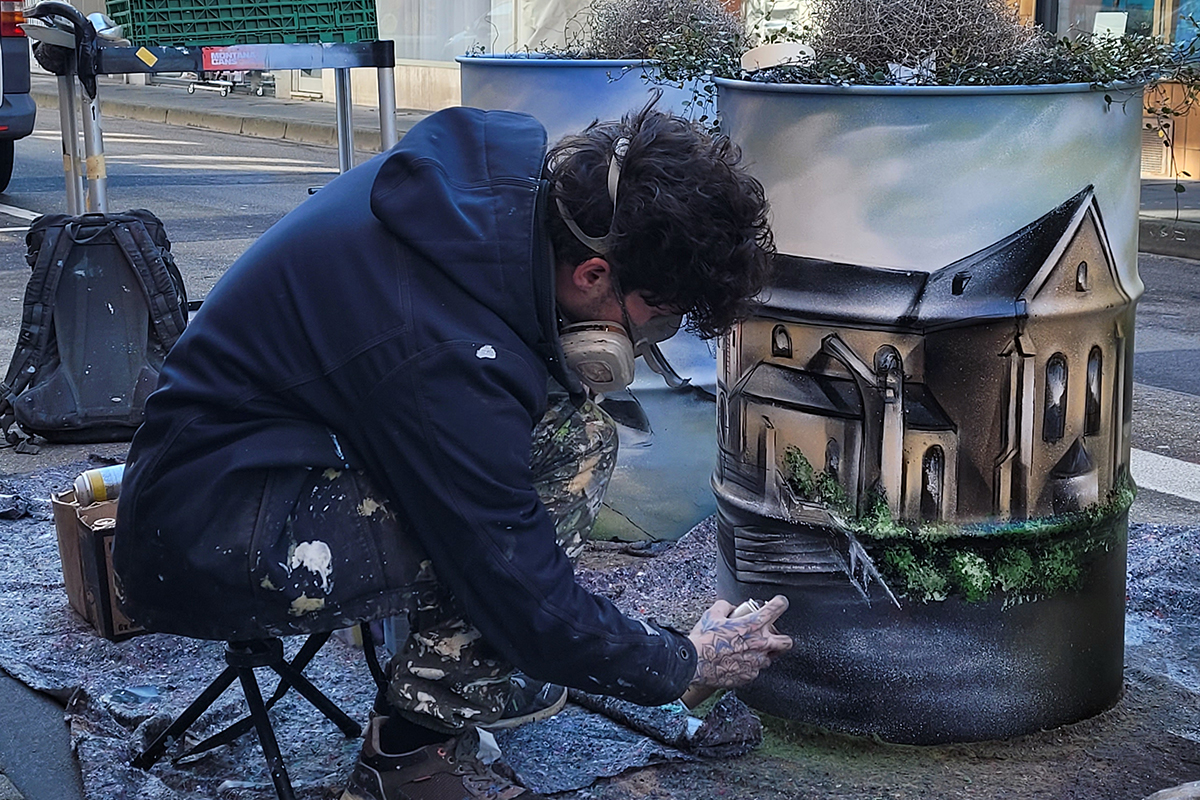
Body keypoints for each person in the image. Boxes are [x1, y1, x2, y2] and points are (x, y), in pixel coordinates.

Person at [112, 101, 792, 800]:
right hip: (202, 538)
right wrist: (684, 662)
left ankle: (447, 683)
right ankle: (400, 762)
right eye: (659, 314)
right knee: (519, 538)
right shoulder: (449, 359)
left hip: (249, 464)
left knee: (568, 432)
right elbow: (525, 594)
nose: (654, 335)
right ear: (592, 274)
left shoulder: (487, 200)